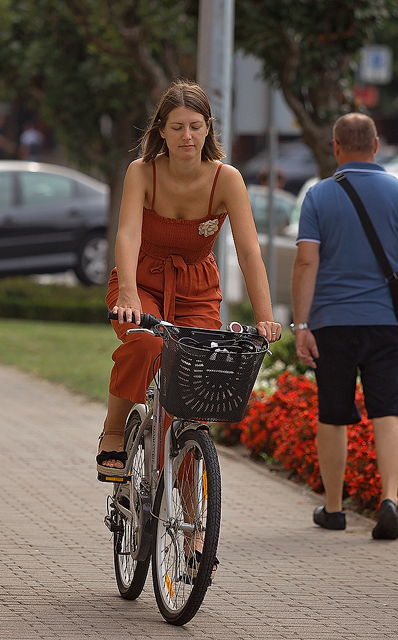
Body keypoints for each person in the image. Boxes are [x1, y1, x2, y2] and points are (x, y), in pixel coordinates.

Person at [100, 80, 283, 480]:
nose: (187, 136)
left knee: (196, 386)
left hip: (197, 292)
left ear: (208, 128)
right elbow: (127, 234)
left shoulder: (226, 179)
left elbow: (250, 251)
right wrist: (129, 293)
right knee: (146, 344)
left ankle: (191, 526)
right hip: (141, 283)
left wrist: (266, 316)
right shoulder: (142, 172)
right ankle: (114, 430)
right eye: (178, 126)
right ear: (161, 130)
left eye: (196, 126)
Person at [290, 113, 398, 540]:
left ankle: (334, 509)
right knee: (388, 411)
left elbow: (306, 261)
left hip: (332, 323)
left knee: (333, 414)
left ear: (335, 146)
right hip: (389, 322)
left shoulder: (318, 197)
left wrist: (301, 324)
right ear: (375, 146)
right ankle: (389, 499)